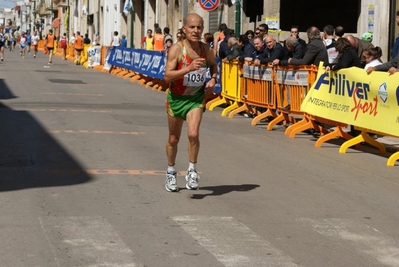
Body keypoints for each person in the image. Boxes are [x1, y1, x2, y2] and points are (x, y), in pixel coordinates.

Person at [163, 13, 218, 192]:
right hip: (176, 99)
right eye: (192, 27)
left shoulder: (206, 50)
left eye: (199, 27)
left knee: (193, 135)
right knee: (173, 139)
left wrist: (213, 80)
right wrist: (188, 68)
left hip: (195, 98)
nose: (196, 31)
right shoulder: (177, 50)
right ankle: (171, 172)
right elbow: (166, 76)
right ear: (184, 29)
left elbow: (213, 66)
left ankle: (192, 171)